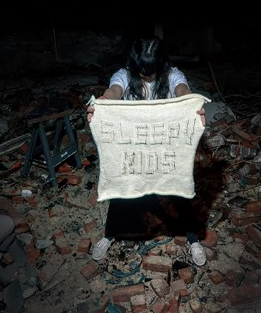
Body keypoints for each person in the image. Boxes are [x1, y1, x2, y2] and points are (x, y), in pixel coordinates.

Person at [86, 36, 207, 266]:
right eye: (142, 69)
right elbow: (114, 91)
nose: (146, 74)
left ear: (161, 63)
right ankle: (109, 234)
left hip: (165, 148)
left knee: (180, 190)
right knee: (122, 191)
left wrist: (192, 104)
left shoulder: (172, 75)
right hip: (135, 148)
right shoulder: (123, 75)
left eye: (151, 69)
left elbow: (182, 90)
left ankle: (193, 239)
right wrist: (101, 102)